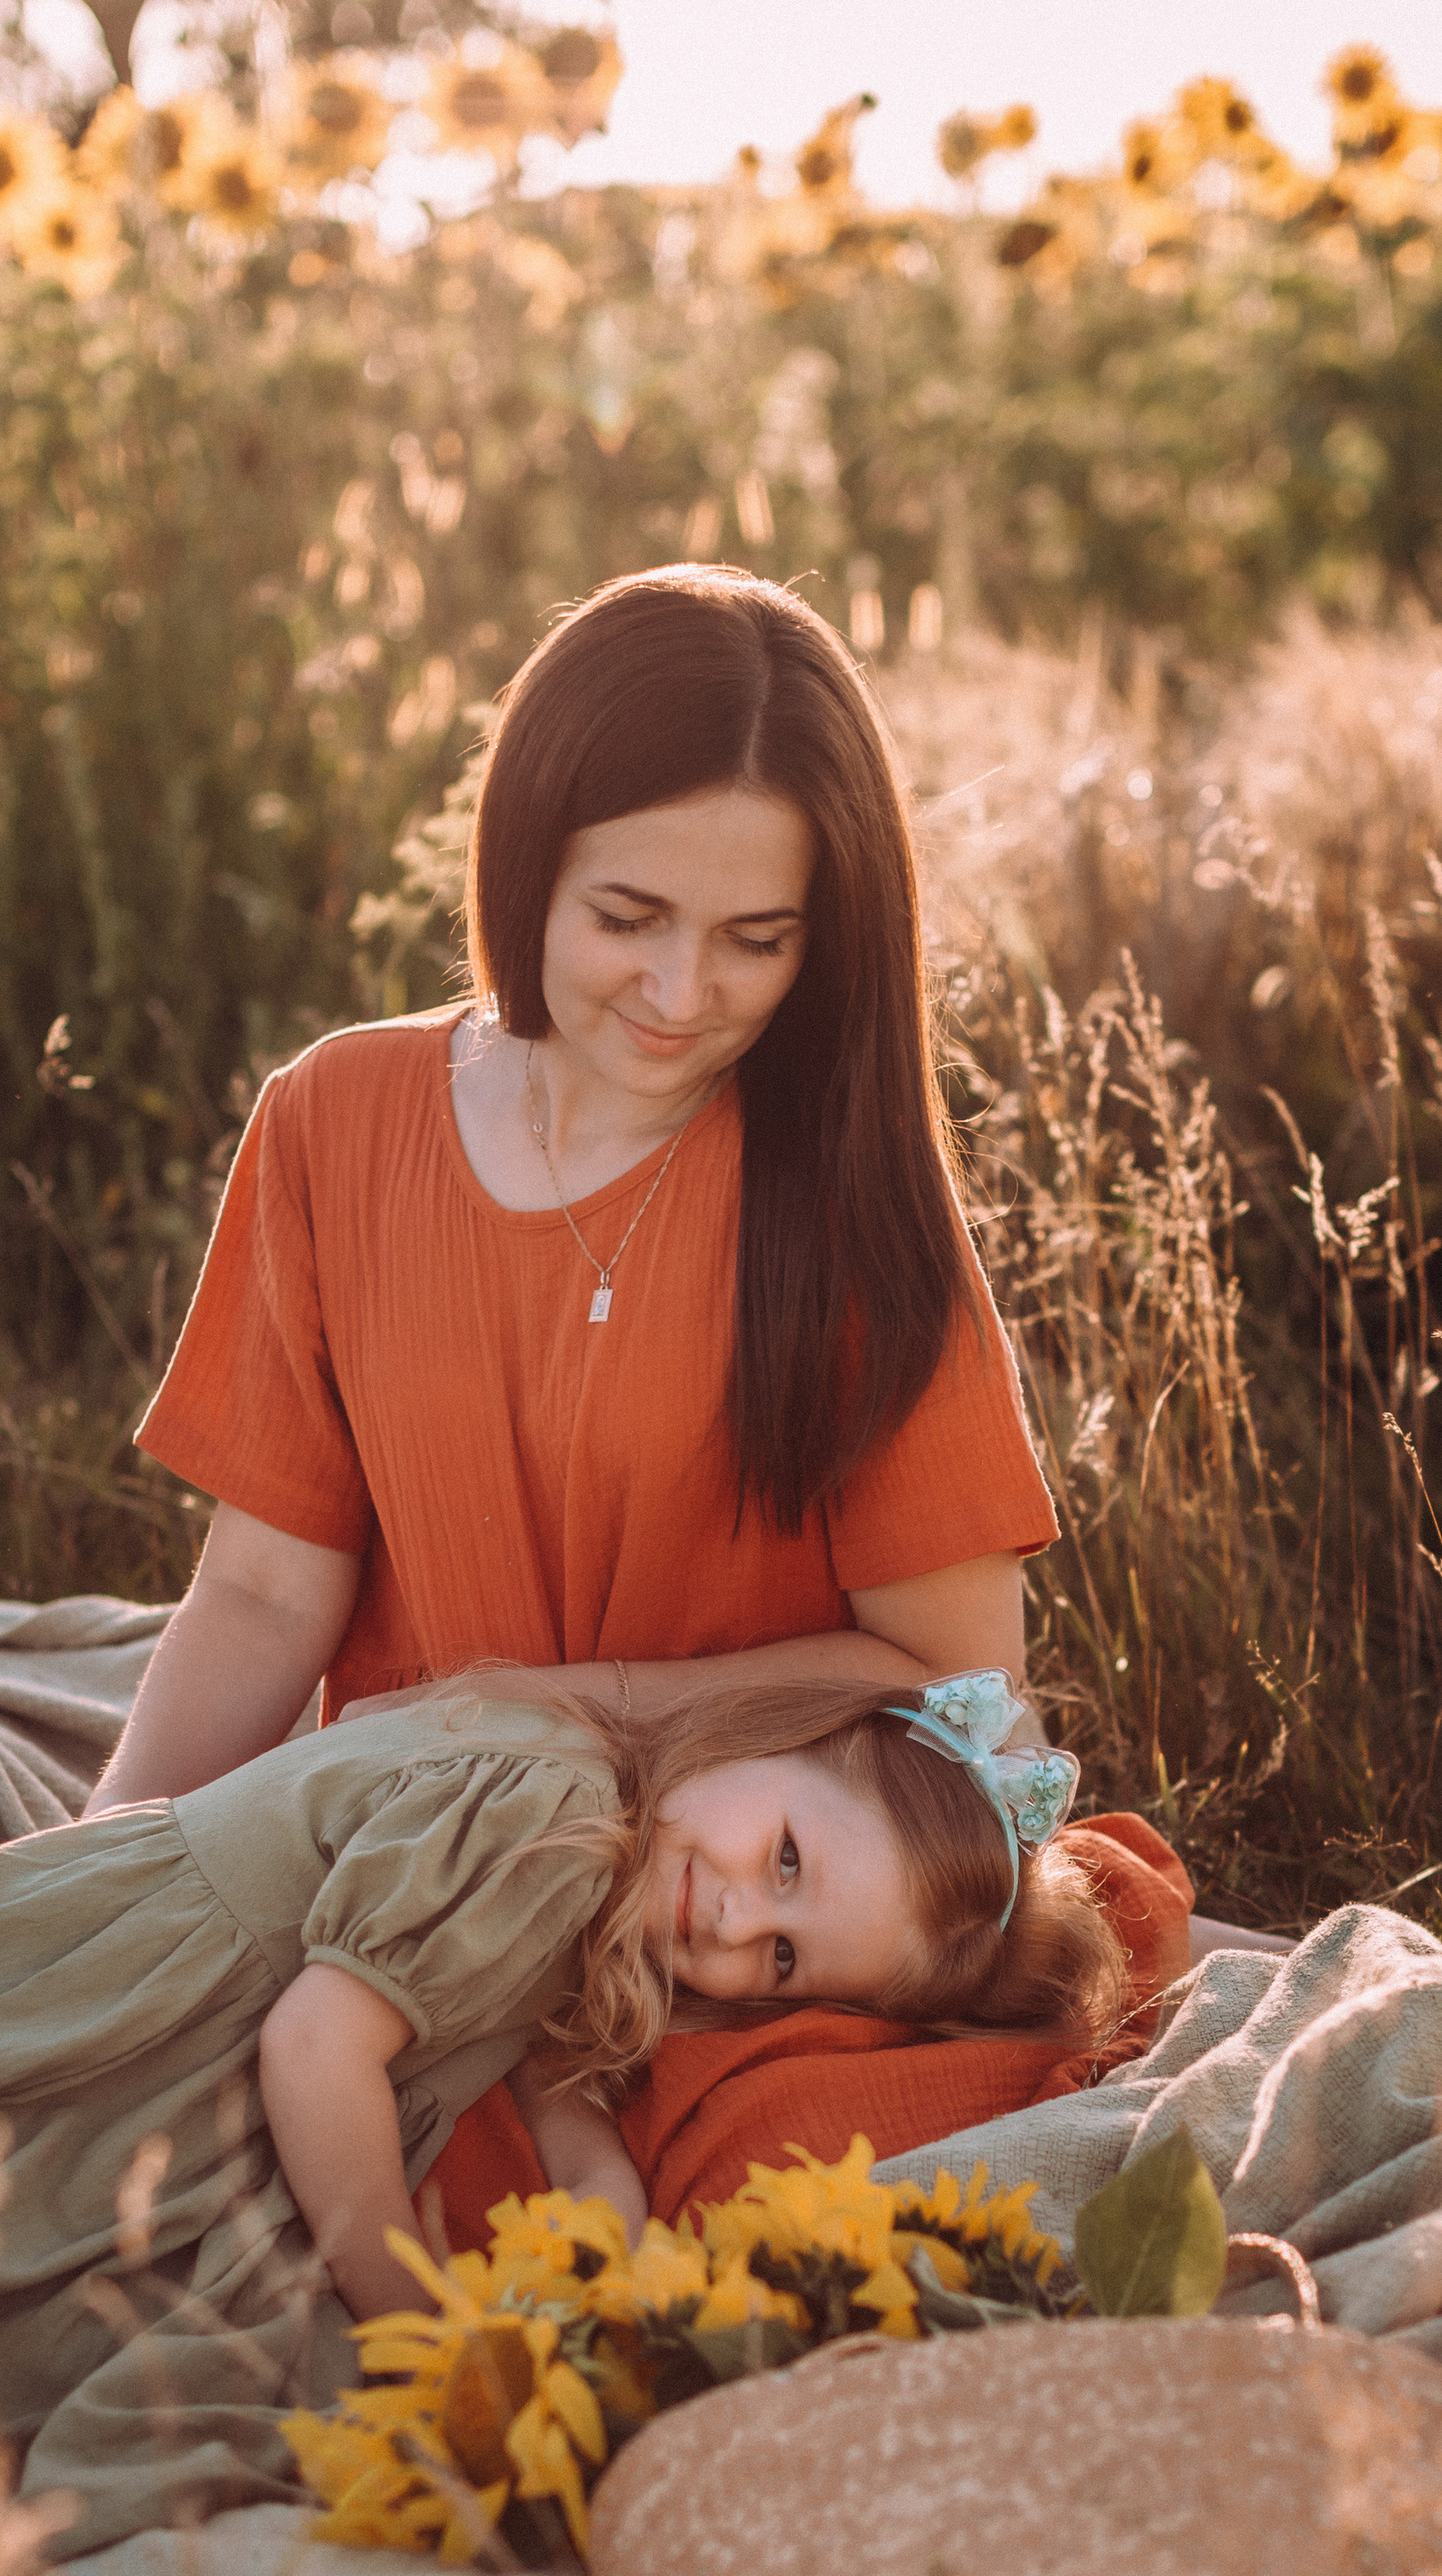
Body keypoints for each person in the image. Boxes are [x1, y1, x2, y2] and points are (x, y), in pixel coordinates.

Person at [0, 1674, 1118, 2576]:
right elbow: (317, 2045)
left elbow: (560, 2108)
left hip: (143, 2021)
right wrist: (416, 2322)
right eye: (781, 1855)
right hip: (110, 2027)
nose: (735, 1920)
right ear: (772, 1740)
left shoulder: (607, 1880)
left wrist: (626, 2287)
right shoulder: (554, 1819)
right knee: (15, 2344)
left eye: (785, 1958)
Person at [85, 559, 1061, 1815]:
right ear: (528, 857)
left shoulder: (847, 1192)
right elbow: (266, 1596)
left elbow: (970, 1692)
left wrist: (546, 1713)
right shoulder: (333, 1120)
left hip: (732, 1918)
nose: (678, 993)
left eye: (755, 940)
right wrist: (72, 1875)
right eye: (628, 917)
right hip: (401, 1884)